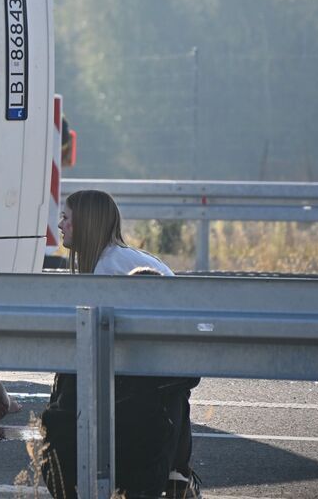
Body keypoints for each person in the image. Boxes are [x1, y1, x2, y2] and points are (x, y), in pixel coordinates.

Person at [40, 190, 201, 499]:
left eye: (65, 217)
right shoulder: (121, 258)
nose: (60, 225)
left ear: (86, 223)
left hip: (161, 363)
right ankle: (177, 475)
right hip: (172, 361)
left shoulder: (107, 269)